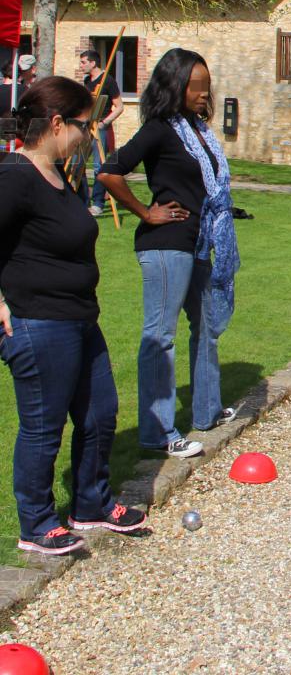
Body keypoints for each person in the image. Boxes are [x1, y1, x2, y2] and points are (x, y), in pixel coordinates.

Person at [0, 77, 146, 555]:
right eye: (85, 125)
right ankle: (37, 524)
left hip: (81, 317)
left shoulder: (58, 173)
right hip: (38, 320)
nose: (89, 134)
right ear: (57, 123)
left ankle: (91, 504)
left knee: (100, 414)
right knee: (44, 426)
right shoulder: (15, 176)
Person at [98, 49, 238, 458]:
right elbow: (108, 171)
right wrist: (146, 211)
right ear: (174, 85)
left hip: (199, 243)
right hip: (166, 245)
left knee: (207, 327)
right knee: (160, 337)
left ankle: (207, 411)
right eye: (195, 86)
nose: (202, 94)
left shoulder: (199, 129)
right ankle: (157, 433)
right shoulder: (159, 129)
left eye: (205, 87)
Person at [79, 49, 124, 217]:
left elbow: (119, 107)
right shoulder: (87, 80)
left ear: (93, 63)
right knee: (79, 164)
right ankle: (83, 202)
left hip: (101, 127)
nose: (81, 65)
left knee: (99, 166)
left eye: (83, 62)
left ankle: (98, 203)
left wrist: (105, 122)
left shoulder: (108, 80)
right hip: (86, 126)